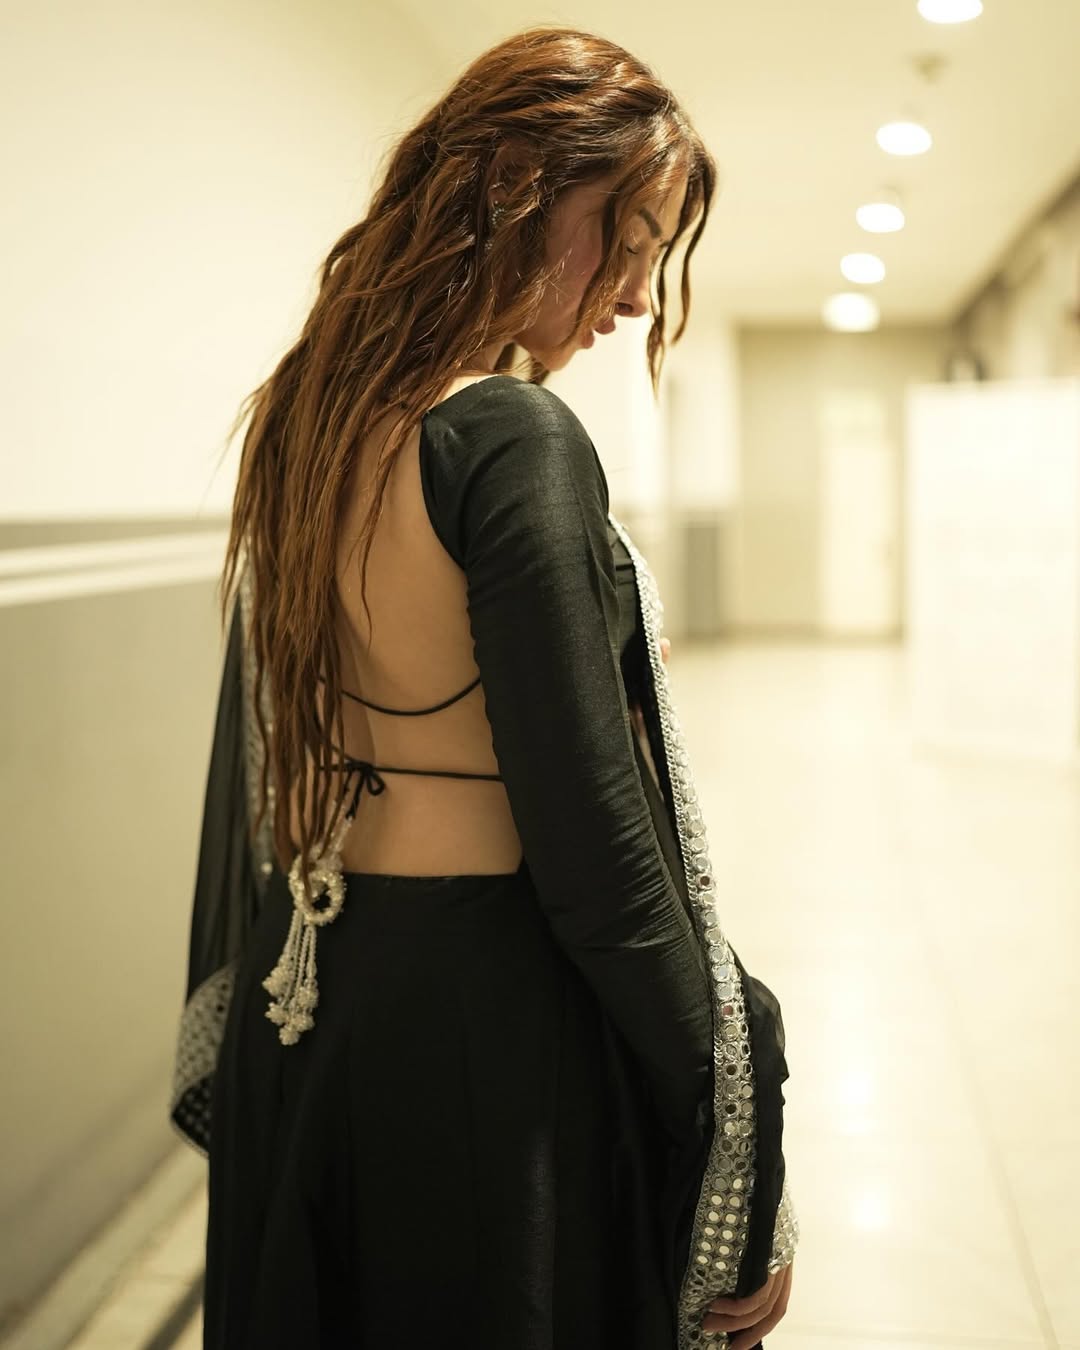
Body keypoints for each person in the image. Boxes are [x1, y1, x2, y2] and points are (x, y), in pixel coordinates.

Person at [170, 25, 798, 1350]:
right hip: (480, 1020)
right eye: (629, 241)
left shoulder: (303, 423)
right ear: (519, 184)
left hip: (313, 989)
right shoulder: (509, 438)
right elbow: (597, 858)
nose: (638, 300)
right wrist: (733, 1115)